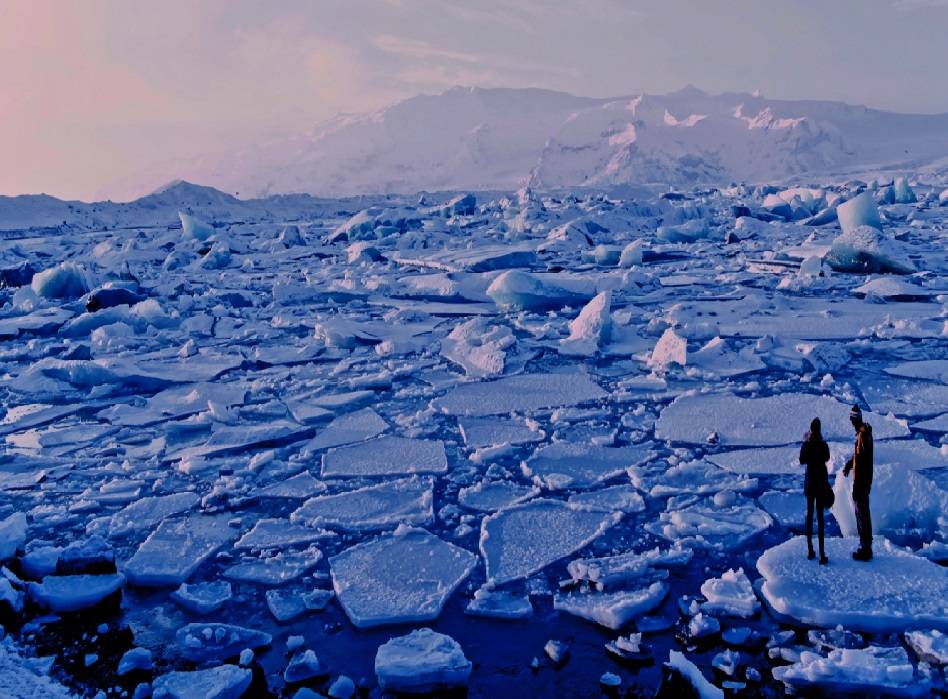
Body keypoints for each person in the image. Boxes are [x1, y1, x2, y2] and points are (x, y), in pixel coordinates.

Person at [843, 404, 873, 561]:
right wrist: (849, 464)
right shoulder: (863, 434)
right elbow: (859, 457)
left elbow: (862, 460)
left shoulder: (863, 435)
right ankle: (866, 546)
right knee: (862, 512)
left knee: (862, 513)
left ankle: (865, 548)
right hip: (863, 479)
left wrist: (857, 486)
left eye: (852, 419)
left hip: (861, 481)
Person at [799, 418, 830, 565]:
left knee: (810, 516)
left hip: (811, 483)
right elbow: (827, 457)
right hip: (820, 484)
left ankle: (810, 550)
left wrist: (805, 442)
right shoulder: (823, 444)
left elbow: (802, 459)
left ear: (811, 429)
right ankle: (822, 553)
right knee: (820, 517)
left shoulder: (808, 444)